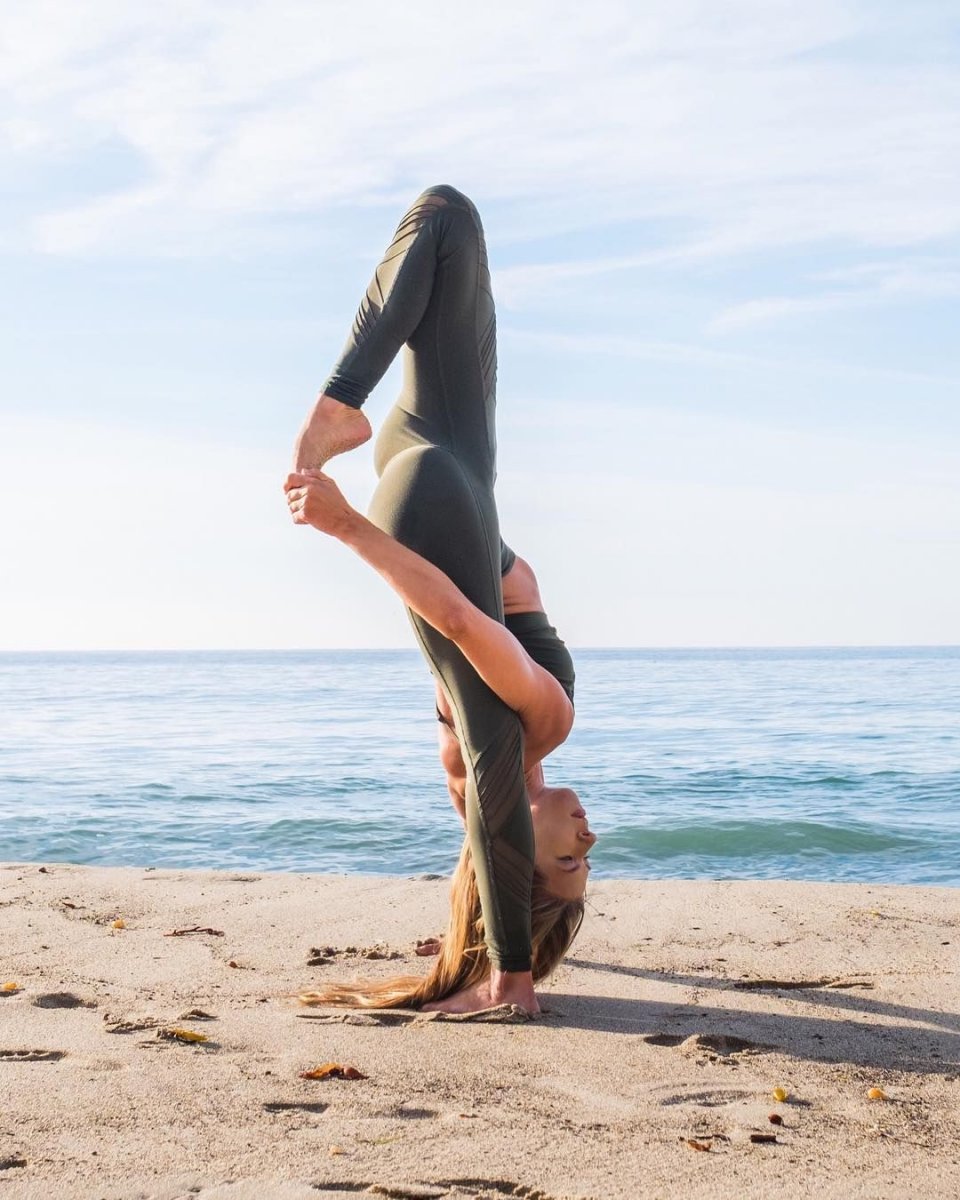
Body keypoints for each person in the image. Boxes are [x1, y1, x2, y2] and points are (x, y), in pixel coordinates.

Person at [284, 186, 595, 1013]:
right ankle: (340, 405)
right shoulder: (484, 769)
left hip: (428, 496)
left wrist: (348, 526)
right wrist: (486, 544)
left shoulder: (538, 727)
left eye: (569, 859)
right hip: (457, 465)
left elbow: (458, 617)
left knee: (450, 221)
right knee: (448, 218)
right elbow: (512, 589)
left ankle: (331, 411)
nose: (589, 837)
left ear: (523, 862)